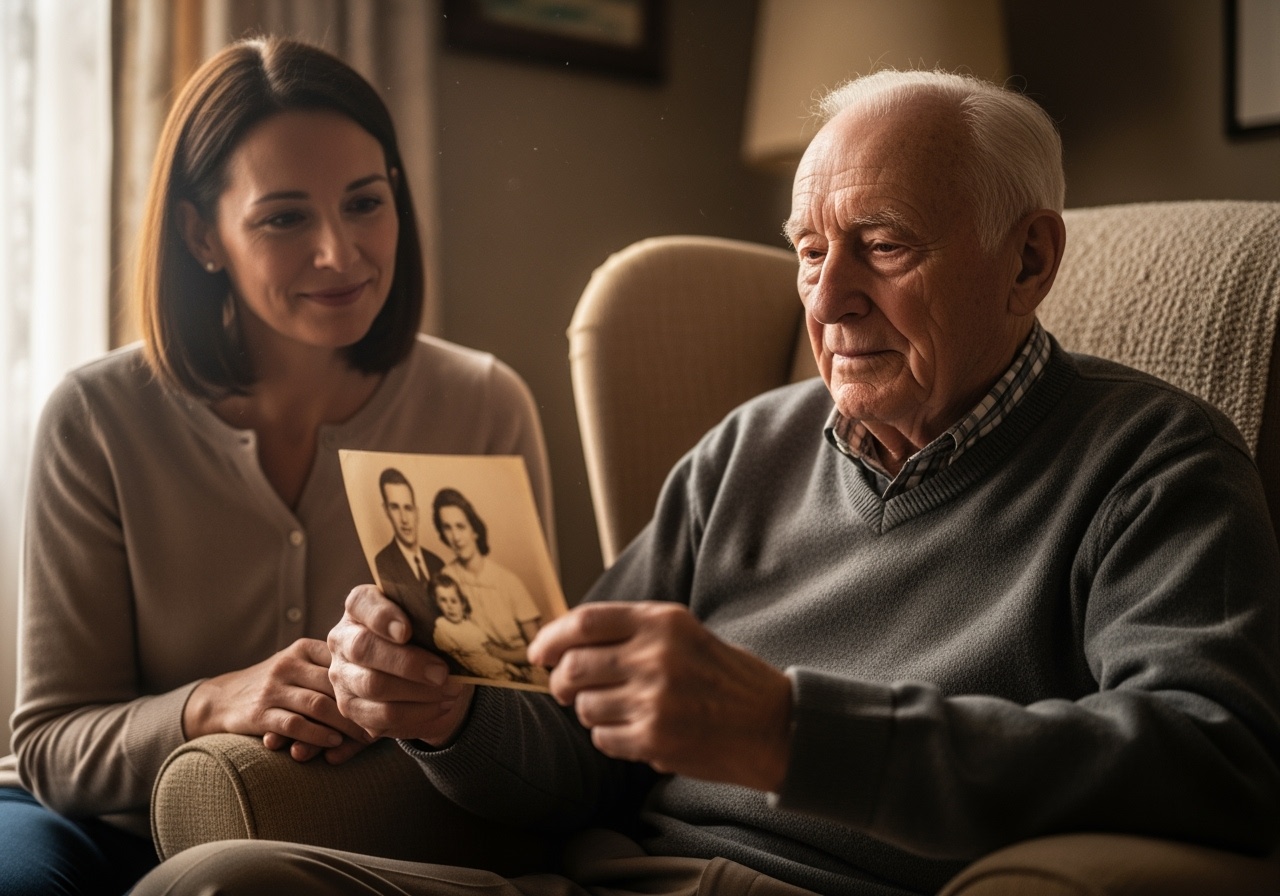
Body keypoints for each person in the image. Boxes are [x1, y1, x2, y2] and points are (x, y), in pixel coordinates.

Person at [135, 70, 1280, 896]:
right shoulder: (746, 448)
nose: (826, 302)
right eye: (806, 249)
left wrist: (791, 732)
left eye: (881, 245)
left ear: (1027, 259)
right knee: (218, 878)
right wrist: (453, 713)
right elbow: (582, 744)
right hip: (608, 877)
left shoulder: (1152, 463)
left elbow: (1215, 759)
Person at [0, 36, 554, 896]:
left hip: (359, 824)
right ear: (201, 234)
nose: (341, 253)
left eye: (366, 203)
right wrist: (210, 704)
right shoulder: (97, 418)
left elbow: (532, 718)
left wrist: (432, 714)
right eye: (285, 218)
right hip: (103, 825)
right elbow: (49, 746)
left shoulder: (481, 403)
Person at [432, 487, 542, 667]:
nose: (456, 537)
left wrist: (499, 654)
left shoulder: (508, 581)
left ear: (474, 530)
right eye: (447, 528)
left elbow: (539, 649)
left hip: (528, 672)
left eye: (460, 526)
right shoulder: (446, 579)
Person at [374, 468, 446, 643]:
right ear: (386, 512)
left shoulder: (437, 562)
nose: (404, 518)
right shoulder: (383, 562)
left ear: (417, 512)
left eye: (408, 508)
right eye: (395, 508)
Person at [430, 574, 522, 682]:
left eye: (454, 601)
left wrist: (508, 667)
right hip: (482, 675)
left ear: (462, 604)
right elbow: (457, 661)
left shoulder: (470, 626)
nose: (450, 606)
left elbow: (489, 650)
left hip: (498, 666)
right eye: (443, 600)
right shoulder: (443, 628)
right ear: (436, 603)